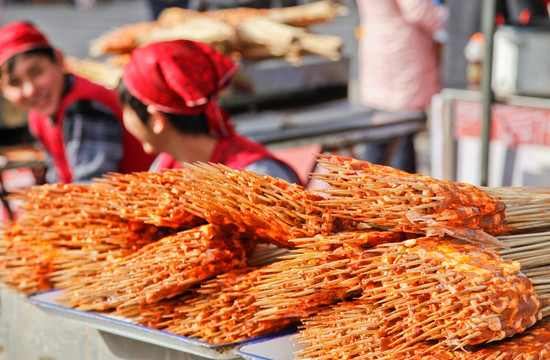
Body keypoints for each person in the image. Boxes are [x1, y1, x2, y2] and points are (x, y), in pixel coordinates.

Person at [117, 39, 301, 184]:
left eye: (126, 111)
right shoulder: (165, 167)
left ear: (157, 119)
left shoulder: (259, 179)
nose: (125, 121)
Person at [0, 21, 156, 184]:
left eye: (37, 72)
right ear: (2, 90)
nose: (30, 90)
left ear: (59, 60)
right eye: (15, 83)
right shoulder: (38, 116)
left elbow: (95, 185)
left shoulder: (85, 107)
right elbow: (57, 175)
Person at [356, 0, 448, 173]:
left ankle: (365, 188)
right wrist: (449, 17)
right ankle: (403, 195)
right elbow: (417, 9)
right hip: (402, 50)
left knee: (380, 129)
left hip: (377, 42)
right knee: (403, 129)